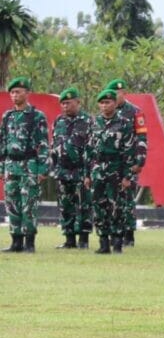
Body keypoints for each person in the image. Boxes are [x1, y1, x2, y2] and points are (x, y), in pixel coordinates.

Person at [0, 77, 48, 253]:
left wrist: (42, 168)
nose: (14, 95)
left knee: (29, 204)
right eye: (12, 92)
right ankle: (16, 241)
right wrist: (1, 166)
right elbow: (2, 142)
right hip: (11, 165)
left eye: (18, 92)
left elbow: (43, 144)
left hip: (29, 165)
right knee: (11, 203)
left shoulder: (36, 116)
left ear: (27, 94)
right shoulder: (7, 116)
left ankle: (29, 242)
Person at [85, 89, 135, 254]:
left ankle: (118, 241)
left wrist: (127, 176)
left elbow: (129, 152)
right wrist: (87, 174)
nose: (104, 106)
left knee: (117, 207)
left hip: (116, 169)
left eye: (108, 102)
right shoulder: (94, 123)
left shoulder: (124, 123)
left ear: (115, 103)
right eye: (102, 103)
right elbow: (88, 150)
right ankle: (103, 242)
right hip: (98, 169)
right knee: (99, 206)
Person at [50, 87, 94, 249]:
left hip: (80, 170)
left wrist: (89, 172)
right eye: (63, 103)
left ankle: (83, 239)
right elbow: (54, 145)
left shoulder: (88, 121)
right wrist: (54, 168)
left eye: (68, 103)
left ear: (78, 102)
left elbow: (92, 148)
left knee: (83, 205)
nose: (65, 106)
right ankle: (69, 239)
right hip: (62, 170)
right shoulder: (59, 121)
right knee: (65, 205)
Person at [105, 79, 147, 247]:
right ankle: (114, 232)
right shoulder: (107, 111)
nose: (115, 96)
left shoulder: (135, 112)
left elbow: (142, 138)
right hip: (110, 163)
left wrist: (140, 161)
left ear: (124, 93)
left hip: (129, 162)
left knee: (127, 198)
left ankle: (128, 234)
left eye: (118, 93)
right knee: (110, 198)